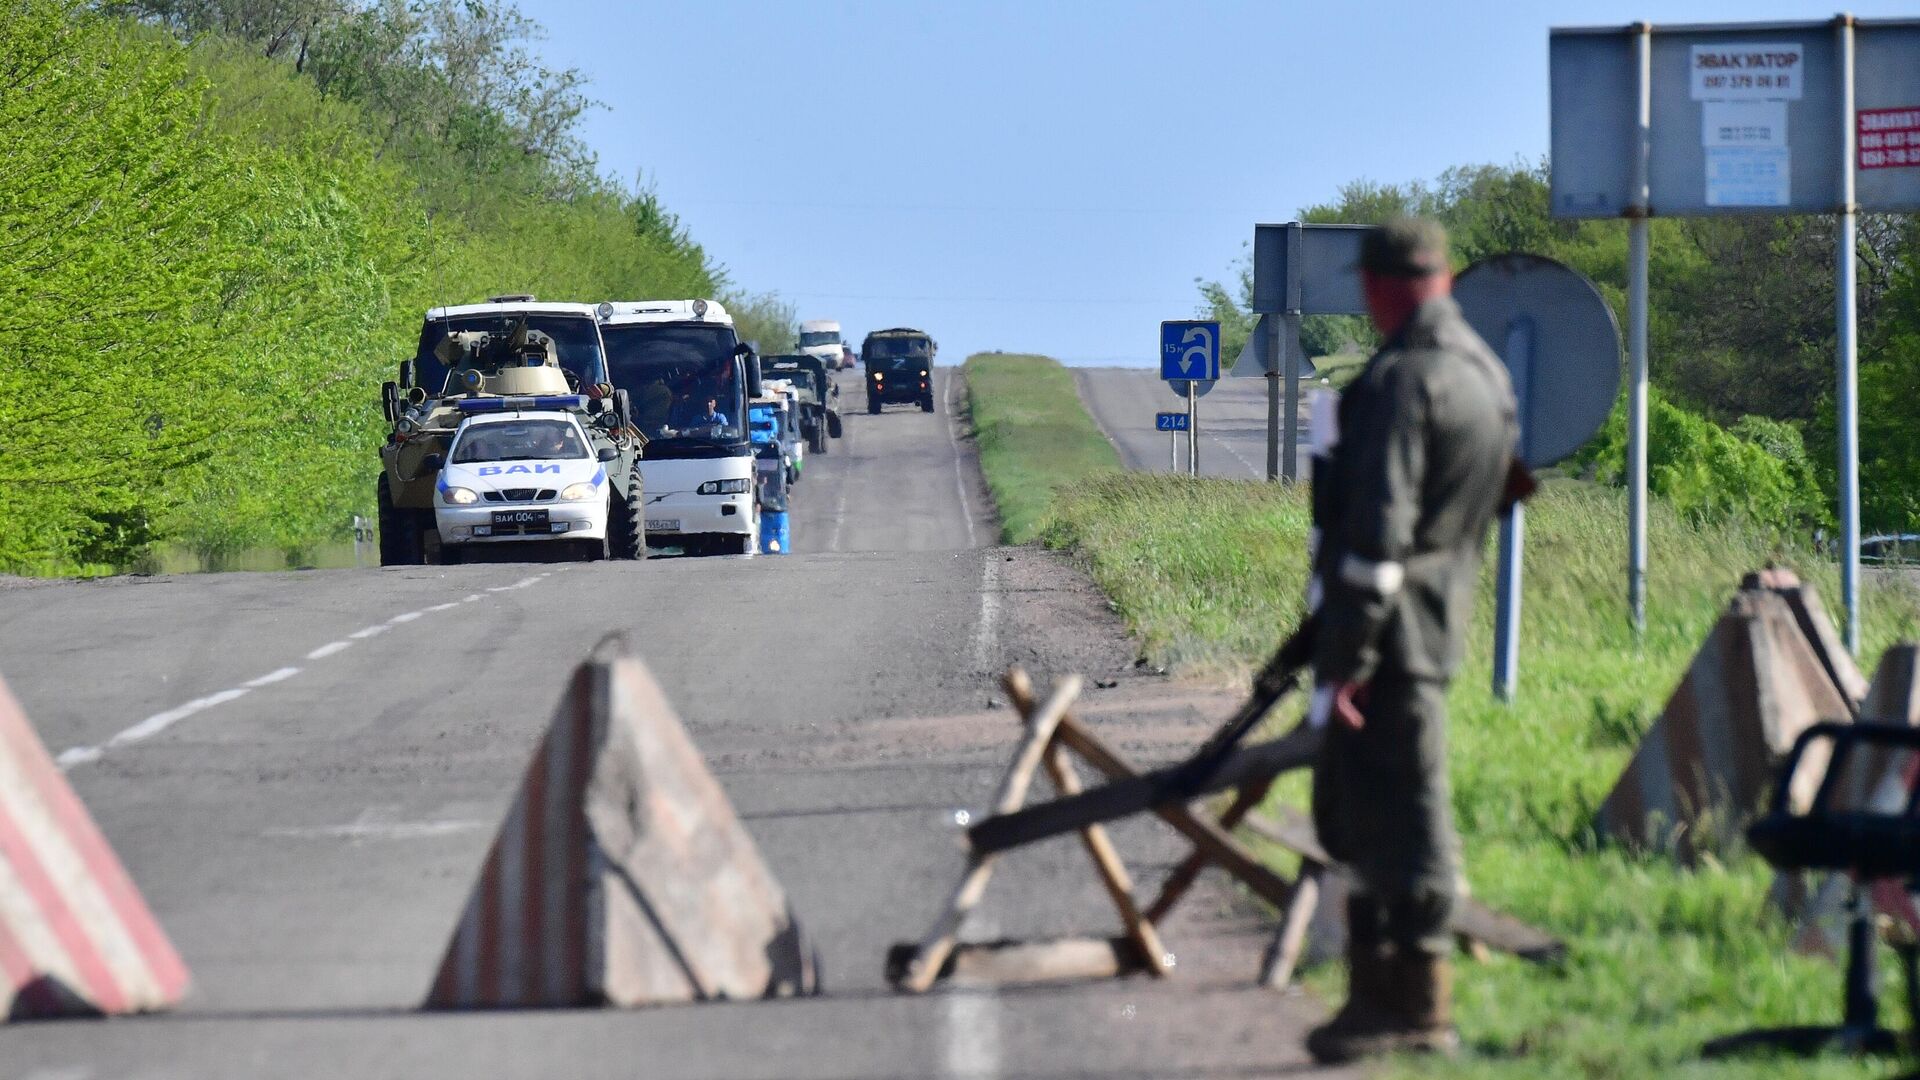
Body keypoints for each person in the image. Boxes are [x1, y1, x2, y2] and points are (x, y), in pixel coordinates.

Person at [1300, 218, 1519, 1064]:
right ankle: (1389, 997)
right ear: (1447, 277)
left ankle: (1407, 1002)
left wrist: (1345, 659)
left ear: (1379, 287)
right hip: (1440, 618)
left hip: (1388, 639)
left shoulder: (1402, 381)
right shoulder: (1485, 374)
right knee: (1388, 805)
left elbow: (1377, 540)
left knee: (1394, 813)